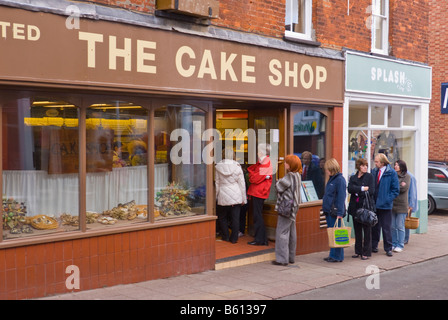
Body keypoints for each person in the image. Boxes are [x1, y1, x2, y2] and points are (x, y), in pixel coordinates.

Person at [272, 155, 302, 266]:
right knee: (292, 232)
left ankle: (282, 259)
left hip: (286, 206)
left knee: (282, 232)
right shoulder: (298, 175)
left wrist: (277, 181)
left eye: (286, 162)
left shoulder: (289, 176)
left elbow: (279, 187)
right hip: (294, 206)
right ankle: (291, 257)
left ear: (291, 165)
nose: (284, 164)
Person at [215, 148, 247, 244]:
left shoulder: (218, 167)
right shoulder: (237, 166)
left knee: (222, 217)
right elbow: (242, 184)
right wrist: (243, 198)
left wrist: (216, 196)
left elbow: (217, 183)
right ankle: (234, 238)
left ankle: (225, 236)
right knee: (235, 217)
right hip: (236, 193)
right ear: (233, 155)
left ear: (223, 155)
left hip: (223, 193)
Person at [371, 153, 400, 257]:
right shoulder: (374, 171)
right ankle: (374, 246)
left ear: (382, 162)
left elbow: (395, 190)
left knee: (386, 228)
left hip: (385, 205)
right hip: (375, 204)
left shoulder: (391, 173)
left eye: (377, 161)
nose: (375, 163)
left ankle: (388, 248)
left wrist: (387, 200)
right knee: (374, 226)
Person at [347, 158, 375, 260]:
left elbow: (371, 191)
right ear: (359, 166)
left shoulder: (369, 177)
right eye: (363, 166)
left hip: (365, 207)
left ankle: (366, 252)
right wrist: (362, 188)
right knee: (357, 230)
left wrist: (357, 190)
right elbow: (350, 188)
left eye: (366, 166)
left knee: (367, 230)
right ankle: (358, 251)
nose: (365, 167)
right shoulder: (353, 177)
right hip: (355, 207)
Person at [247, 143, 273, 246]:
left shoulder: (265, 163)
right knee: (257, 216)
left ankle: (260, 239)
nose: (257, 152)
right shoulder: (262, 162)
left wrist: (252, 175)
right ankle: (262, 239)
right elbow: (252, 172)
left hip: (259, 192)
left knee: (257, 216)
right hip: (258, 192)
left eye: (258, 150)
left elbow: (254, 179)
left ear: (261, 151)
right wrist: (253, 175)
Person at [322, 158, 347, 262]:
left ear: (332, 169)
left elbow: (341, 197)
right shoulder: (331, 179)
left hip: (335, 211)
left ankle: (337, 256)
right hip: (329, 211)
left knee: (336, 234)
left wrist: (340, 213)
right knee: (332, 234)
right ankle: (332, 254)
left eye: (327, 169)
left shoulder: (340, 180)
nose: (326, 171)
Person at [391, 160, 411, 252]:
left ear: (402, 167)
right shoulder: (392, 175)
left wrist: (396, 187)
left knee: (400, 225)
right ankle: (393, 243)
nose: (395, 166)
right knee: (392, 226)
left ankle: (400, 244)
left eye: (397, 165)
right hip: (392, 203)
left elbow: (404, 188)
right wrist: (399, 185)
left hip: (402, 204)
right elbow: (390, 187)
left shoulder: (407, 176)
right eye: (395, 164)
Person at [405, 171, 418, 244]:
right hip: (403, 203)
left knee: (406, 221)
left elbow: (413, 192)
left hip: (408, 204)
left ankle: (405, 239)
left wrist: (411, 205)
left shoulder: (410, 177)